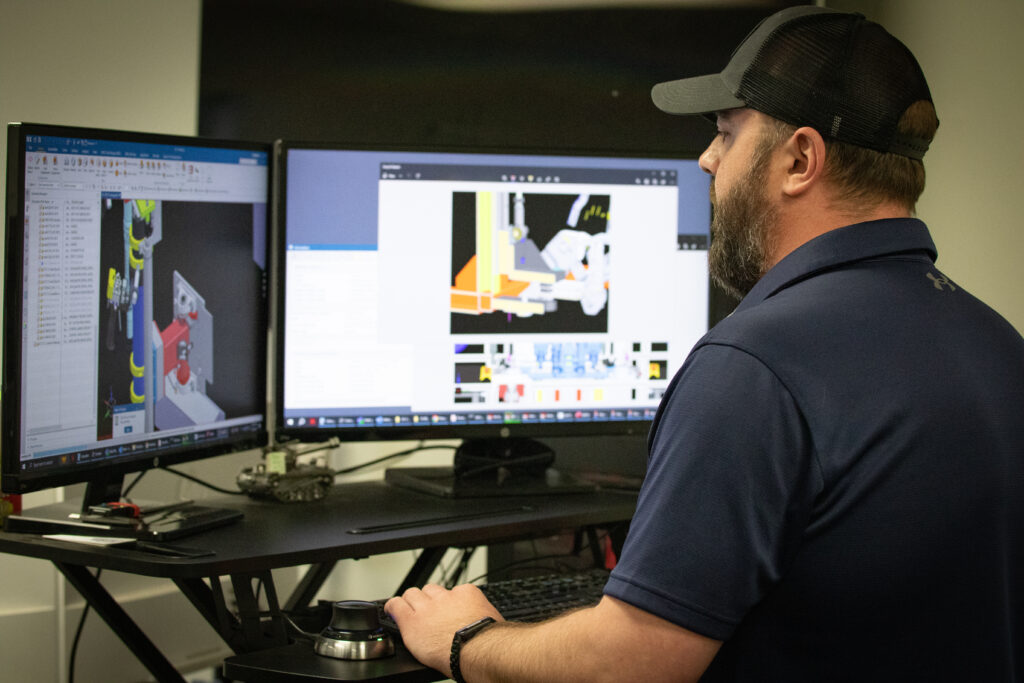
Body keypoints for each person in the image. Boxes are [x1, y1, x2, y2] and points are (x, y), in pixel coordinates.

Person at [385, 6, 1024, 682]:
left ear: (799, 158)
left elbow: (626, 666)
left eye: (726, 133)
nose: (706, 159)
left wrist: (465, 639)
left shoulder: (756, 366)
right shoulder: (996, 342)